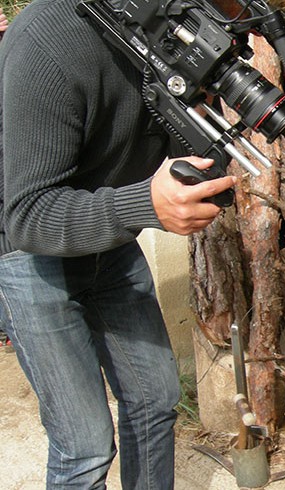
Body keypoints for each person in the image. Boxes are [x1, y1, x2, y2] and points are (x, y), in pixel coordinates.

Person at [0, 0, 237, 487]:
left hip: (107, 241)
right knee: (85, 445)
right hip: (26, 253)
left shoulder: (166, 34)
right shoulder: (49, 40)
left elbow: (189, 154)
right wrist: (144, 205)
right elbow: (28, 217)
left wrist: (203, 124)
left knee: (155, 403)